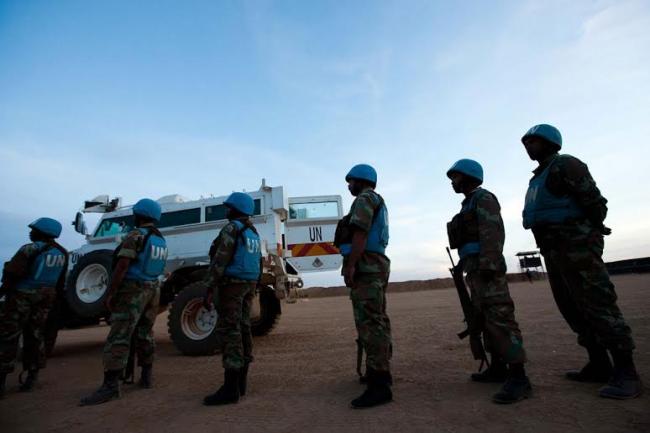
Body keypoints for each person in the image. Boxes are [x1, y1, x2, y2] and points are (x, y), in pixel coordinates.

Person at [521, 123, 642, 399]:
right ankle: (598, 363)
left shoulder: (566, 164)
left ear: (550, 142)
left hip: (577, 248)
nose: (528, 146)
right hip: (554, 251)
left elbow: (594, 202)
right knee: (572, 307)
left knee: (598, 304)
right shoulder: (538, 178)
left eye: (533, 141)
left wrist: (588, 233)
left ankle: (627, 372)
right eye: (525, 142)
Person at [446, 159, 532, 404]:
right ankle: (498, 368)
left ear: (468, 176)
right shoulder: (468, 203)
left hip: (486, 269)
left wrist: (488, 264)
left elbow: (492, 233)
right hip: (474, 268)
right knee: (484, 319)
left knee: (500, 318)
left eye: (455, 177)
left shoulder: (483, 198)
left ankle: (519, 377)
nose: (452, 182)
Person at [80, 198, 168, 405]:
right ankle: (146, 376)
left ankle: (110, 385)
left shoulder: (136, 235)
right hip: (152, 289)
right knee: (145, 333)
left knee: (119, 335)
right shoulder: (160, 240)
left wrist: (110, 293)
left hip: (133, 290)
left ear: (139, 215)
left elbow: (122, 265)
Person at [336, 164, 392, 409]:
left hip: (367, 264)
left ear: (361, 180)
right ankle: (380, 373)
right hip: (374, 262)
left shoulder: (364, 199)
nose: (349, 186)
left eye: (351, 181)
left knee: (370, 323)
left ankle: (379, 385)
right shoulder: (376, 200)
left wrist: (351, 264)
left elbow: (360, 234)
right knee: (376, 319)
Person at [203, 192, 262, 406]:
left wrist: (209, 287)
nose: (226, 210)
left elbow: (220, 260)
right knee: (244, 328)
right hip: (249, 284)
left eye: (229, 207)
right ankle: (241, 383)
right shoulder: (253, 232)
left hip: (232, 285)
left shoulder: (231, 229)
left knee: (230, 331)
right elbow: (259, 261)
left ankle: (230, 389)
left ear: (236, 209)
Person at [0, 218, 67, 399]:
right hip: (46, 297)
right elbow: (60, 280)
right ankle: (32, 376)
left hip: (21, 296)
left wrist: (3, 292)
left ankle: (2, 380)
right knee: (36, 335)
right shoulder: (62, 253)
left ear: (41, 232)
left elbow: (12, 274)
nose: (30, 233)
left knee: (9, 335)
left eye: (33, 230)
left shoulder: (29, 249)